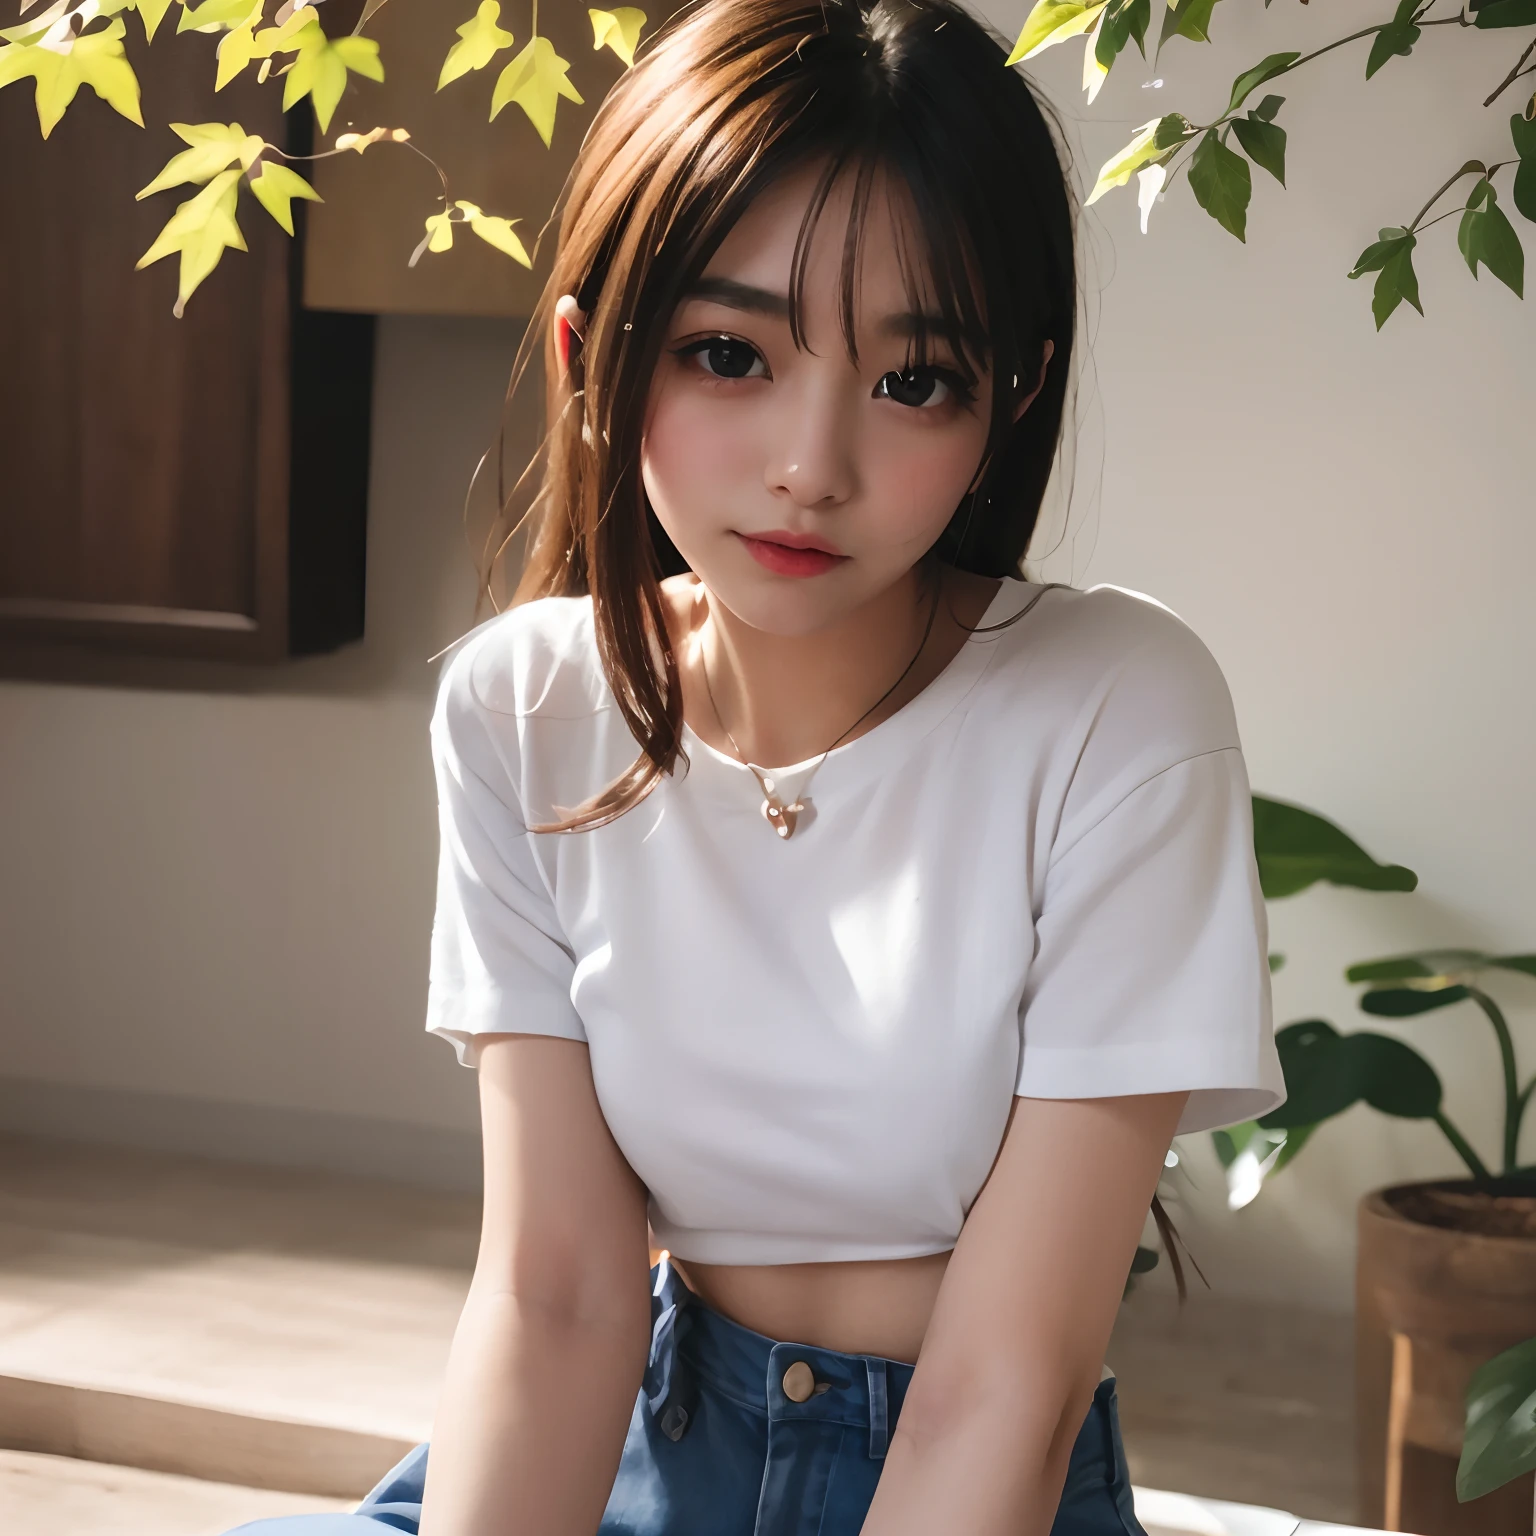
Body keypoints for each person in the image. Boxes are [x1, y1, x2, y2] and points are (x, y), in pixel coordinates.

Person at [228, 0, 1285, 1531]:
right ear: (598, 358)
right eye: (731, 353)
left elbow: (1009, 1383)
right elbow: (557, 1297)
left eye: (913, 379)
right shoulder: (526, 704)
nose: (812, 463)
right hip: (641, 1426)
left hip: (958, 1466)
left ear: (1014, 400)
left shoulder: (1115, 708)